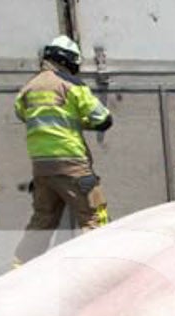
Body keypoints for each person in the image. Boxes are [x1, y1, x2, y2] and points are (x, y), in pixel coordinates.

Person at [14, 34, 112, 264]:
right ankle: (102, 269)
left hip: (41, 168)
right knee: (94, 217)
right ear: (70, 62)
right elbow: (102, 118)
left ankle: (21, 269)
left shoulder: (28, 88)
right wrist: (85, 122)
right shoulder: (71, 85)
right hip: (72, 163)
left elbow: (24, 115)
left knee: (42, 220)